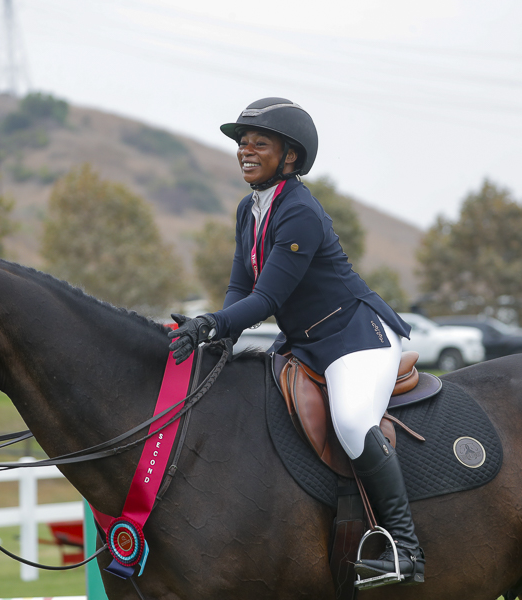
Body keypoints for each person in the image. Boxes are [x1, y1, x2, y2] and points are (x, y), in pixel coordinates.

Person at [168, 97, 425, 585]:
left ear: (290, 156)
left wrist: (211, 325)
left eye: (258, 143)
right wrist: (221, 333)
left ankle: (405, 549)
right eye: (242, 144)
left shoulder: (300, 211)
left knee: (351, 423)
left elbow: (267, 297)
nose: (245, 151)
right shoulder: (250, 209)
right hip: (305, 343)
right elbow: (241, 287)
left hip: (355, 337)